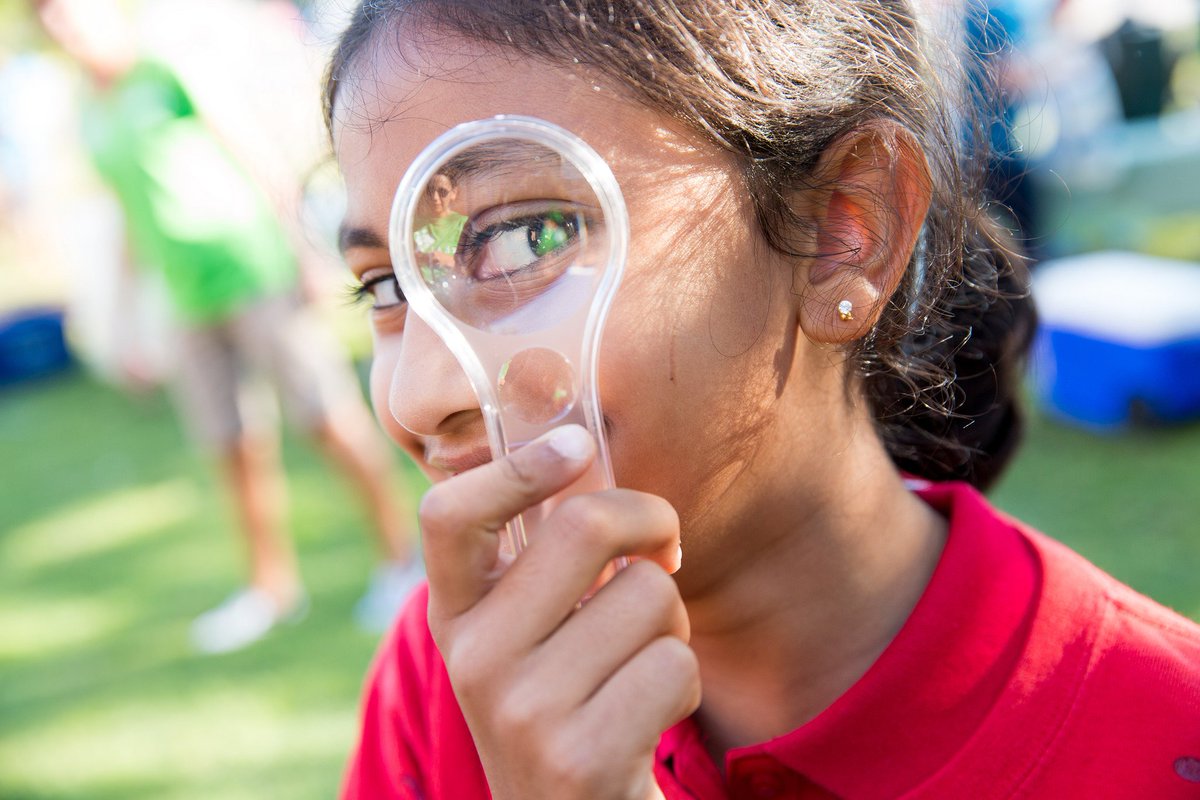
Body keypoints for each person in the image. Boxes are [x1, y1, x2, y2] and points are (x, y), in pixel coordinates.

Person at [326, 1, 1200, 797]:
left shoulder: (1162, 738)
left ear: (845, 229)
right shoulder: (450, 677)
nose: (416, 397)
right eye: (385, 288)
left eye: (527, 237)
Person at [34, 0, 424, 653]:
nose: (66, 29)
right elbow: (130, 214)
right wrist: (128, 321)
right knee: (232, 444)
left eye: (73, 14)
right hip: (186, 299)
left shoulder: (164, 69)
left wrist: (300, 254)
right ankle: (271, 588)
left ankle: (400, 561)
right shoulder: (89, 109)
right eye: (52, 22)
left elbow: (252, 154)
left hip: (252, 272)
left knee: (325, 417)